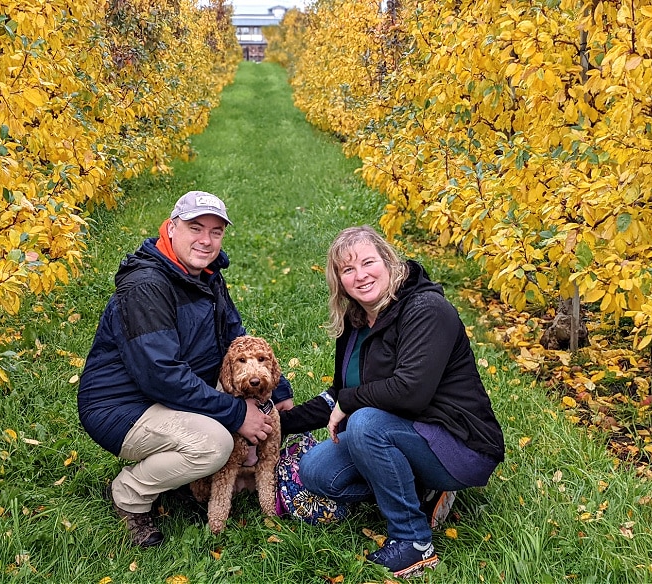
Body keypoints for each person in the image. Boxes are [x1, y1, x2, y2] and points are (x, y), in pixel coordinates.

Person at [278, 225, 505, 579]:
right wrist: (278, 423)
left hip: (459, 443)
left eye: (368, 262)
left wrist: (349, 402)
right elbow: (339, 393)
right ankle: (418, 488)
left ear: (388, 261)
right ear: (339, 281)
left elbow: (410, 392)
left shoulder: (427, 310)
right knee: (316, 471)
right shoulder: (356, 322)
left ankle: (414, 541)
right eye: (348, 269)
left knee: (365, 423)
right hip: (402, 432)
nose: (360, 275)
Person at [78, 191, 294, 548]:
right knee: (215, 444)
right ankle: (129, 495)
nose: (206, 240)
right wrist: (237, 413)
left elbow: (234, 336)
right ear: (171, 227)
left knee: (229, 421)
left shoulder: (206, 275)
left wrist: (277, 391)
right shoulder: (146, 286)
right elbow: (160, 375)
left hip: (170, 394)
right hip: (123, 407)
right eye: (195, 228)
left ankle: (178, 474)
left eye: (215, 231)